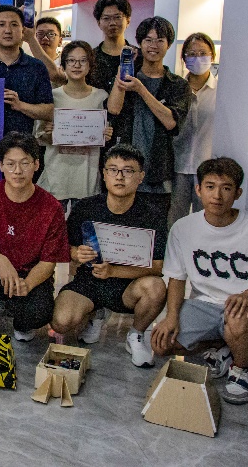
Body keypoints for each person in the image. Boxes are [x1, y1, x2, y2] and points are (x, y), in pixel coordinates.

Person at [152, 158, 248, 404]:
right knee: (161, 344)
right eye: (210, 187)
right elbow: (176, 278)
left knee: (237, 319)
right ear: (198, 190)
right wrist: (171, 316)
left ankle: (240, 369)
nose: (217, 195)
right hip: (205, 305)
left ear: (237, 193)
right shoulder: (182, 228)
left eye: (226, 188)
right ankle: (227, 346)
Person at [51, 144, 168, 367]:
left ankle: (136, 334)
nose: (120, 177)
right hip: (89, 282)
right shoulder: (85, 207)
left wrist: (114, 271)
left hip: (128, 286)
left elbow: (157, 266)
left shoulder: (153, 215)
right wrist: (76, 253)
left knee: (156, 287)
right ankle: (95, 314)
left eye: (128, 171)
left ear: (141, 177)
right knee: (61, 322)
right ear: (104, 174)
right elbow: (63, 247)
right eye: (113, 170)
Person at [0, 132, 69, 346]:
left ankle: (21, 321)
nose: (17, 171)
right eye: (10, 164)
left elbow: (48, 262)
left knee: (40, 312)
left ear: (36, 164)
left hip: (28, 274)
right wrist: (0, 260)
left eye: (24, 163)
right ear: (1, 165)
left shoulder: (51, 207)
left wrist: (27, 285)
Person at [107, 16, 192, 209]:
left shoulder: (177, 85)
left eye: (160, 40)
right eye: (148, 40)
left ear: (169, 44)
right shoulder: (128, 76)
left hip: (157, 173)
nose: (154, 46)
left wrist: (141, 89)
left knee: (155, 224)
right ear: (139, 43)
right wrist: (122, 69)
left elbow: (171, 122)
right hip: (123, 171)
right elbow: (113, 109)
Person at [35, 41, 111, 206]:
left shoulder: (101, 97)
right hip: (56, 179)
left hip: (87, 180)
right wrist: (49, 133)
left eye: (83, 60)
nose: (77, 65)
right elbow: (40, 137)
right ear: (63, 65)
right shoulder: (52, 96)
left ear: (90, 65)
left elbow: (104, 137)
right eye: (71, 60)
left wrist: (106, 134)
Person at [0, 5, 54, 136]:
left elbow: (49, 111)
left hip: (22, 143)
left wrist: (20, 105)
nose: (7, 30)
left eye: (14, 25)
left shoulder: (36, 67)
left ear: (23, 30)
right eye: (1, 25)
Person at [169, 33, 218, 226]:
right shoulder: (176, 90)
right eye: (191, 54)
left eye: (202, 53)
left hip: (208, 168)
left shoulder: (221, 91)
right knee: (175, 221)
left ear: (212, 56)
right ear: (183, 59)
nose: (197, 58)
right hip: (177, 167)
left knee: (206, 220)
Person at [91, 0, 132, 94]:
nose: (112, 23)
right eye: (106, 18)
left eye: (118, 17)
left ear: (128, 21)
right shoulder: (91, 57)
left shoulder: (137, 56)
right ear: (99, 23)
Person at [33, 16, 66, 87]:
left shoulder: (66, 64)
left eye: (51, 34)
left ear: (60, 41)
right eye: (40, 34)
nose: (45, 38)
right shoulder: (28, 63)